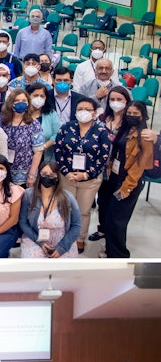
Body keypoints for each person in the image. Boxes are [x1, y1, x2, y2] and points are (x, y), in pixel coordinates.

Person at [53, 97, 111, 253]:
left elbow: (103, 157)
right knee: (66, 208)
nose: (83, 112)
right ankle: (64, 236)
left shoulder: (100, 131)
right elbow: (58, 151)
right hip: (67, 177)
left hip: (89, 179)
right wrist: (66, 171)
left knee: (83, 210)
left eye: (87, 110)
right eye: (80, 109)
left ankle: (79, 238)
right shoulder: (66, 127)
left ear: (95, 113)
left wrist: (86, 175)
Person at [100, 101, 153, 258]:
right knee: (109, 218)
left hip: (128, 182)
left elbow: (139, 167)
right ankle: (111, 250)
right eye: (129, 113)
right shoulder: (125, 129)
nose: (131, 116)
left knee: (117, 221)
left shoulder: (144, 136)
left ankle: (118, 255)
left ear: (143, 116)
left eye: (135, 114)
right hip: (115, 178)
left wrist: (127, 188)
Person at [19, 160, 81, 258]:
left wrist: (62, 248)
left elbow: (76, 226)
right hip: (35, 237)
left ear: (57, 178)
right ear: (39, 175)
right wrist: (40, 243)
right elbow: (23, 222)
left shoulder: (68, 198)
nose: (47, 177)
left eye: (52, 175)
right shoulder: (28, 195)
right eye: (44, 174)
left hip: (62, 240)